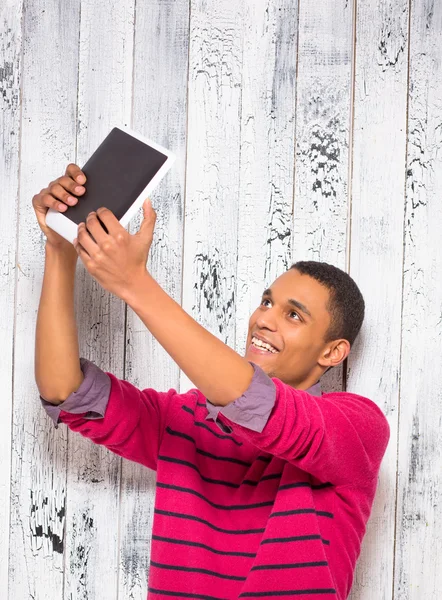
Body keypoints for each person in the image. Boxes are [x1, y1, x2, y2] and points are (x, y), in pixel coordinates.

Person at [33, 163, 390, 600]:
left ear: (332, 352)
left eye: (293, 315)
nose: (264, 320)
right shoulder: (183, 419)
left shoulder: (358, 427)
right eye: (267, 302)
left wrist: (135, 284)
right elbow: (65, 393)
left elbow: (260, 406)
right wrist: (59, 250)